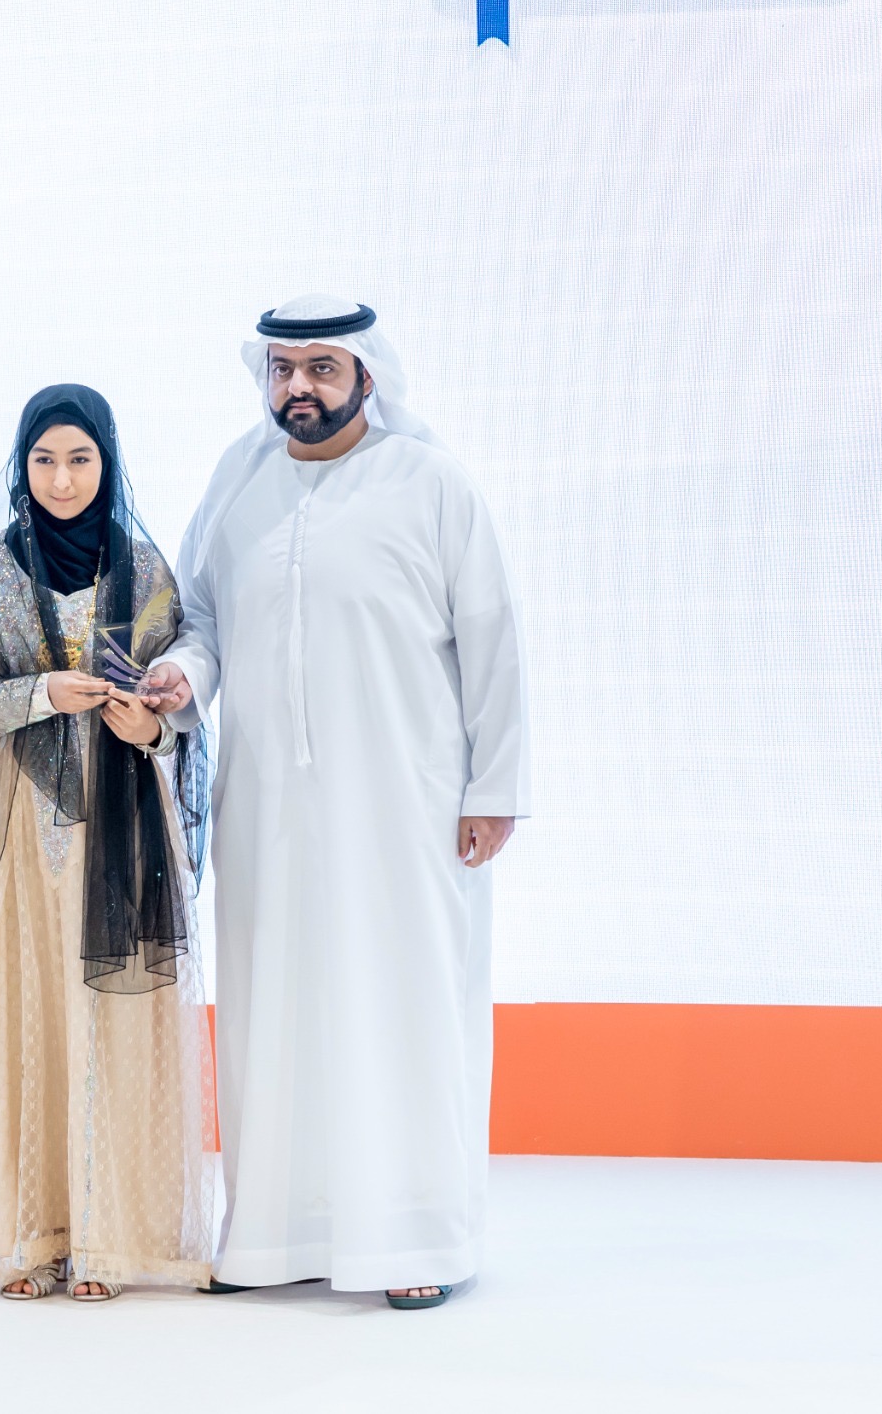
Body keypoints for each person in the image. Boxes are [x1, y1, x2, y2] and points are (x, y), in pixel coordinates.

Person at [147, 296, 528, 1309]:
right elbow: (202, 617)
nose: (299, 387)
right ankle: (274, 1237)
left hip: (407, 805)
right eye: (282, 368)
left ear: (365, 372)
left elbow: (492, 637)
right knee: (275, 1008)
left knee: (401, 1007)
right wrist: (184, 676)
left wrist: (494, 788)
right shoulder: (239, 480)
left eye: (320, 366)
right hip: (268, 806)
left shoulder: (430, 482)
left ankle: (413, 1241)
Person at [0, 385, 217, 1302]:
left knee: (118, 1025)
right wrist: (40, 696)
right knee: (31, 1019)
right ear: (21, 467)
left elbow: (181, 707)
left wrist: (150, 721)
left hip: (122, 836)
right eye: (44, 460)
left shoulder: (142, 571)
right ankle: (35, 1239)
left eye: (81, 459)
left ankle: (112, 1241)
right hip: (23, 835)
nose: (62, 480)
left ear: (109, 463)